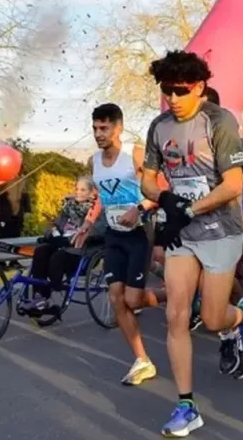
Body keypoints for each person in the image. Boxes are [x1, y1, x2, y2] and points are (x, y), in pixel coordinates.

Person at [141, 50, 243, 438]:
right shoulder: (159, 127)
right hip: (184, 234)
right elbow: (147, 179)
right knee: (176, 315)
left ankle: (242, 315)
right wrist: (165, 200)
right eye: (166, 91)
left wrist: (189, 209)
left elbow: (232, 186)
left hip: (222, 230)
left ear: (198, 87)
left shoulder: (220, 121)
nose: (172, 99)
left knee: (212, 319)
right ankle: (186, 405)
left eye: (179, 91)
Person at [74, 104, 159, 385]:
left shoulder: (134, 153)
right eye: (95, 128)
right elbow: (101, 195)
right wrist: (87, 224)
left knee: (133, 299)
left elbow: (161, 190)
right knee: (115, 297)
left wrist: (140, 208)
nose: (98, 134)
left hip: (139, 233)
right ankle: (142, 360)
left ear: (118, 128)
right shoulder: (94, 161)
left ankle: (179, 292)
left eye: (104, 128)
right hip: (113, 235)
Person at [24, 177, 98, 314]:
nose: (78, 192)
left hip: (79, 250)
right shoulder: (68, 206)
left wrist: (74, 238)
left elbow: (95, 231)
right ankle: (40, 296)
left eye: (83, 190)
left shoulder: (95, 210)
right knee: (40, 252)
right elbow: (56, 224)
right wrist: (49, 233)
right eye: (76, 189)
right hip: (61, 243)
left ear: (91, 192)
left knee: (57, 258)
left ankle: (51, 292)